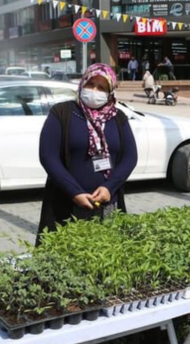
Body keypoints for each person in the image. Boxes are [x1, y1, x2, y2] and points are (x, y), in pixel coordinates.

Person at [36, 63, 138, 243]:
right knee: (62, 259)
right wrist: (74, 192)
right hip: (66, 202)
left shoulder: (118, 117)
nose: (95, 91)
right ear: (82, 83)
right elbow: (48, 156)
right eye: (91, 84)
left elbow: (130, 157)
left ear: (110, 92)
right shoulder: (62, 112)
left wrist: (109, 187)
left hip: (106, 202)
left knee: (106, 257)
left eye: (102, 87)